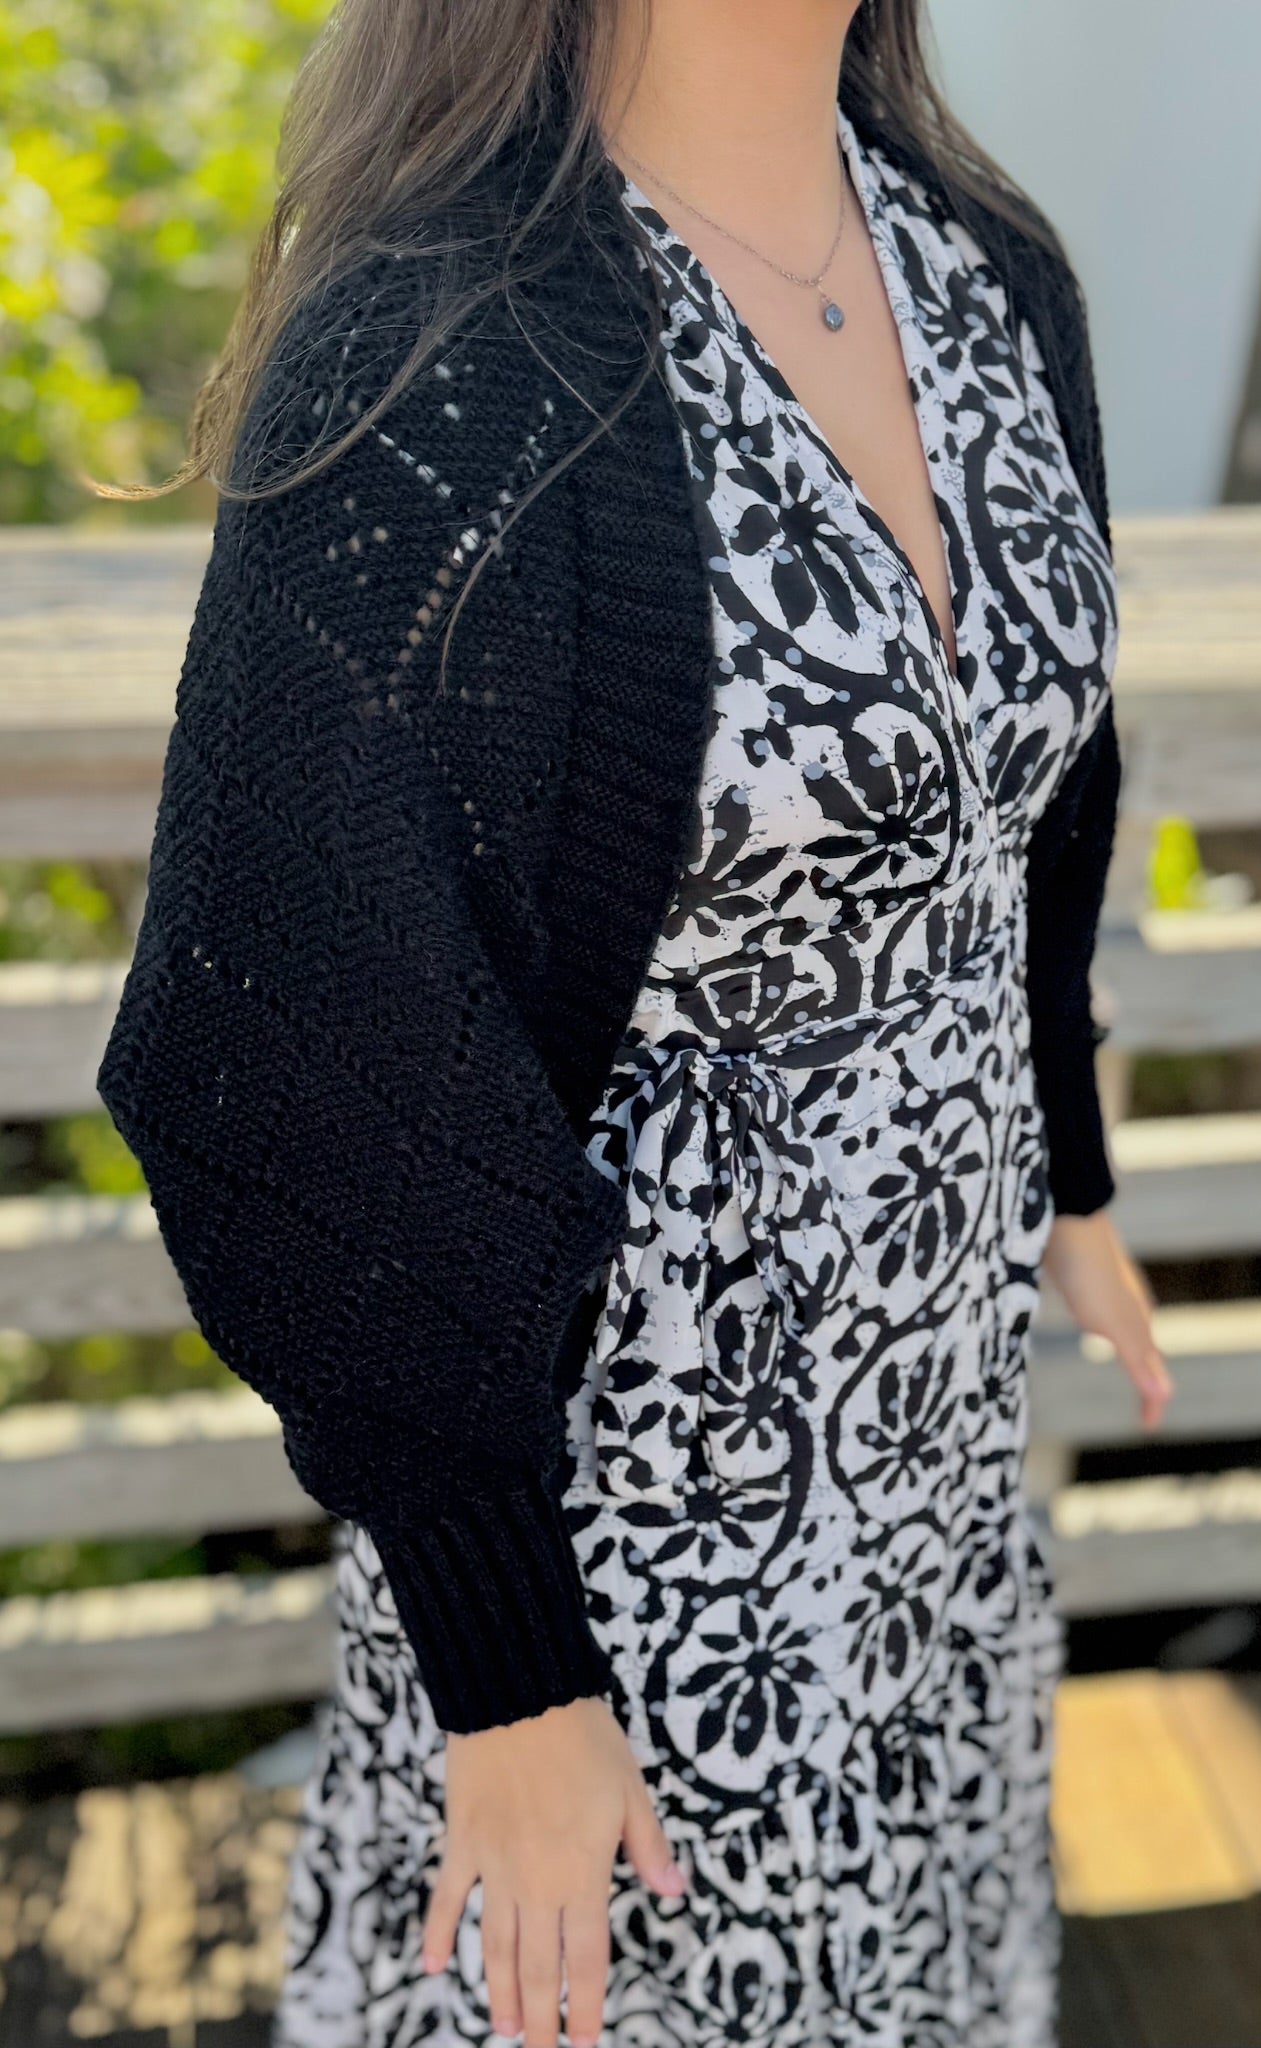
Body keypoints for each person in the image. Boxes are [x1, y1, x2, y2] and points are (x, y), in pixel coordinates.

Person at [97, 1, 1172, 2041]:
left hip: (944, 1427)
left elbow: (1035, 805)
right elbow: (278, 1047)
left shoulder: (984, 261)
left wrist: (1075, 1173)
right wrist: (506, 1660)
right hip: (636, 1512)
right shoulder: (444, 354)